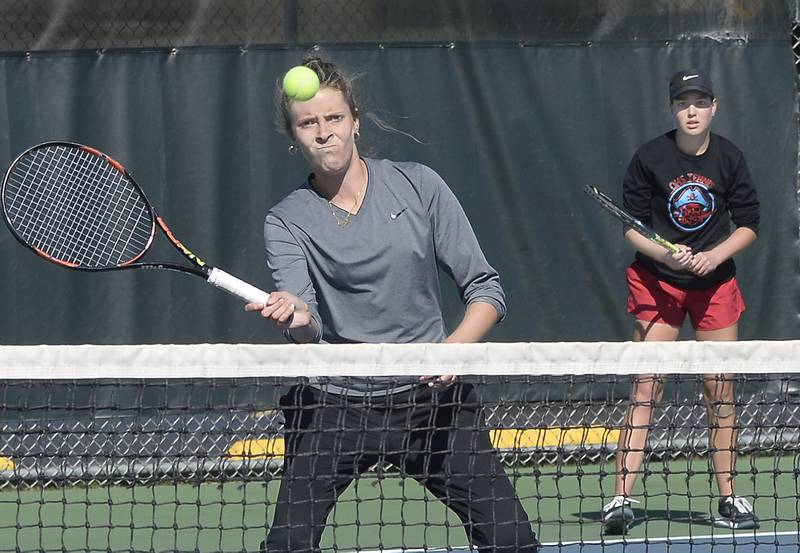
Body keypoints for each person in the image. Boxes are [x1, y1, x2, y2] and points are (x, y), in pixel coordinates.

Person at [247, 55, 539, 553]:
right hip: (336, 403)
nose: (324, 133)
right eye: (308, 123)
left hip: (429, 400)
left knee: (511, 539)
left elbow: (486, 290)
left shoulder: (419, 185)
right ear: (293, 136)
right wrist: (296, 317)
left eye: (334, 118)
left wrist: (450, 351)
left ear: (355, 121)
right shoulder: (286, 220)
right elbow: (308, 327)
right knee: (288, 545)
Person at [601, 69, 760, 534]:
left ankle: (729, 498)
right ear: (673, 109)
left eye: (699, 102)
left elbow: (749, 224)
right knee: (647, 385)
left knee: (721, 388)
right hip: (657, 284)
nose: (691, 110)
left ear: (714, 106)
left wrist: (712, 257)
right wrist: (667, 251)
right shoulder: (649, 158)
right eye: (682, 103)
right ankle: (621, 499)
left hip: (715, 287)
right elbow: (631, 226)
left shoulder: (730, 158)